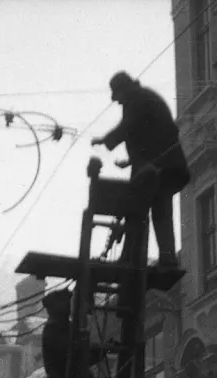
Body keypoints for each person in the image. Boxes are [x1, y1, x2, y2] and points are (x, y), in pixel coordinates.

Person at [91, 72, 190, 266]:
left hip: (158, 167)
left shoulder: (136, 99)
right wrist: (131, 161)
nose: (116, 101)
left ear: (124, 89)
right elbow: (149, 137)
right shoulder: (143, 97)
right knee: (158, 210)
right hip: (165, 165)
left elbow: (128, 126)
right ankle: (164, 258)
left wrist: (106, 140)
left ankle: (133, 257)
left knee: (137, 208)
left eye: (117, 95)